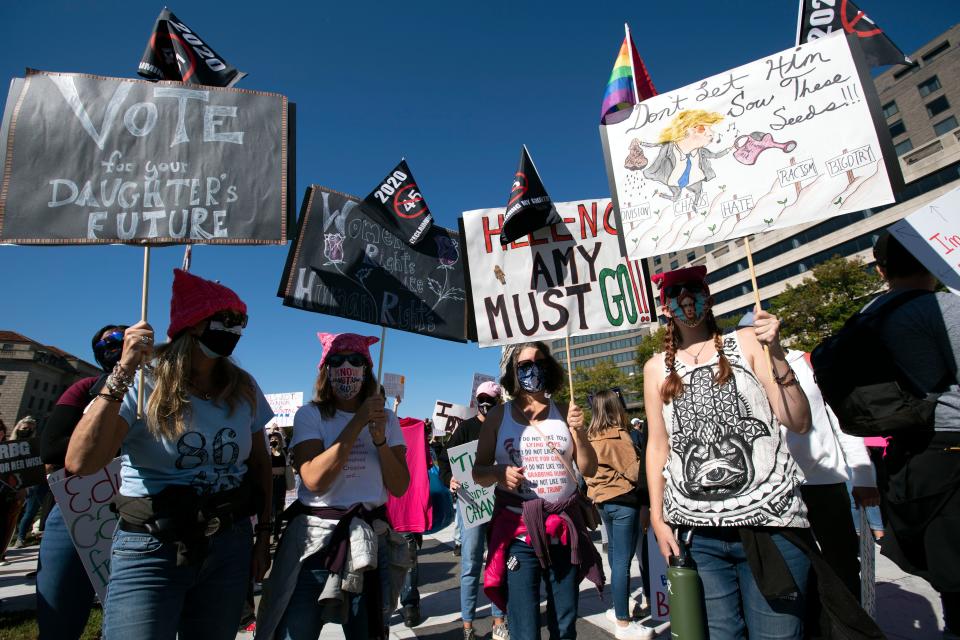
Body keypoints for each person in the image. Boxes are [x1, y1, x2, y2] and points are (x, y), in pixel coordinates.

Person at [65, 269, 275, 640]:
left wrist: (264, 537)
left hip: (228, 543)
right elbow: (82, 461)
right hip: (152, 546)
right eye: (227, 319)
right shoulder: (145, 380)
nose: (237, 329)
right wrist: (123, 370)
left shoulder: (243, 387)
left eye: (242, 321)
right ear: (193, 325)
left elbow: (260, 465)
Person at [644, 266, 813, 639]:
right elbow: (658, 446)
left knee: (779, 634)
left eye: (694, 290)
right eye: (675, 294)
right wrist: (657, 518)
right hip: (699, 536)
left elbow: (798, 421)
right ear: (665, 307)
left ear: (710, 296)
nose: (686, 300)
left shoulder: (749, 341)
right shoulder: (656, 368)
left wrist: (778, 353)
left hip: (771, 526)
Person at [255, 332, 410, 640]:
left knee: (367, 632)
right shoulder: (310, 415)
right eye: (336, 360)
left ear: (367, 368)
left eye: (355, 360)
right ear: (325, 369)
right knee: (293, 630)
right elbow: (314, 479)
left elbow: (400, 485)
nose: (346, 367)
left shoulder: (388, 421)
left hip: (367, 544)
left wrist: (379, 439)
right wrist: (357, 423)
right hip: (314, 544)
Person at [740, 313, 880, 601]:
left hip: (823, 482)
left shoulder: (806, 363)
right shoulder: (740, 373)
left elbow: (842, 422)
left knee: (841, 566)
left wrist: (863, 476)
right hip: (774, 491)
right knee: (794, 574)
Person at [474, 341, 603, 640]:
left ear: (551, 367)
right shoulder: (498, 417)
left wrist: (580, 432)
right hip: (518, 533)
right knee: (524, 627)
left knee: (564, 623)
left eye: (540, 362)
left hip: (563, 530)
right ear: (514, 373)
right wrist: (497, 472)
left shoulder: (565, 412)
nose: (534, 369)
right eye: (525, 365)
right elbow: (478, 472)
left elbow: (590, 468)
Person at [866, 231, 960, 638]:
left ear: (882, 271)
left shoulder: (865, 319)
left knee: (948, 570)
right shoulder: (944, 308)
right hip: (953, 447)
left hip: (905, 460)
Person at [36, 324, 127, 639]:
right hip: (79, 509)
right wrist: (103, 442)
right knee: (59, 610)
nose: (109, 346)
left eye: (117, 339)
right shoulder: (85, 388)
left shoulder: (154, 390)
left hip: (137, 511)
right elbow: (52, 447)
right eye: (102, 343)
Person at [438, 380, 509, 640]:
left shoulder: (504, 428)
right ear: (476, 399)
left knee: (498, 562)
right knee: (470, 566)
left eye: (490, 398)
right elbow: (445, 459)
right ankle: (467, 625)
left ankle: (499, 619)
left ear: (498, 401)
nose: (485, 403)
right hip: (472, 505)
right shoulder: (466, 429)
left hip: (500, 505)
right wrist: (450, 479)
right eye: (482, 397)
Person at [585, 389, 653, 640]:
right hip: (624, 501)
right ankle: (623, 622)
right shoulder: (618, 435)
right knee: (624, 562)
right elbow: (636, 472)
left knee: (615, 556)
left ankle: (617, 608)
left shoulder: (590, 436)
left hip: (603, 502)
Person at [13, 416, 45, 548]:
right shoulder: (9, 446)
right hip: (14, 483)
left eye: (30, 429)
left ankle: (20, 538)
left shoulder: (35, 445)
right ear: (18, 428)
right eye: (25, 428)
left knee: (30, 512)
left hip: (33, 484)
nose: (27, 431)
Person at [268, 429, 290, 540]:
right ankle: (269, 533)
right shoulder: (266, 452)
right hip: (270, 482)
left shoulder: (283, 451)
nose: (273, 441)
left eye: (275, 439)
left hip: (280, 482)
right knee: (270, 509)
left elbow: (284, 467)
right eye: (271, 439)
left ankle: (276, 533)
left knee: (279, 509)